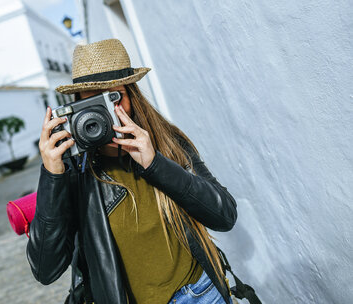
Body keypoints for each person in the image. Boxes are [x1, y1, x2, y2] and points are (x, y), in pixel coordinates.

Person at [26, 38, 238, 304]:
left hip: (202, 294)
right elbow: (46, 270)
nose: (105, 112)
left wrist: (155, 164)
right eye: (92, 102)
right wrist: (52, 176)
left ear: (132, 95)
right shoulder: (73, 171)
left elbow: (225, 216)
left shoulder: (166, 142)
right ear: (75, 108)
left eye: (113, 97)